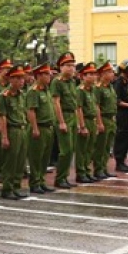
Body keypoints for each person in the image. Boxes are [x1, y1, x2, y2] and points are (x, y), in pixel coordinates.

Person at [0, 65, 30, 199]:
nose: (21, 81)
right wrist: (4, 136)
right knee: (10, 161)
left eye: (22, 78)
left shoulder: (22, 95)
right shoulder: (4, 96)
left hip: (22, 129)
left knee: (20, 161)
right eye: (18, 78)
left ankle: (16, 186)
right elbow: (3, 117)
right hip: (12, 130)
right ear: (11, 79)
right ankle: (7, 188)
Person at [25, 63, 56, 194]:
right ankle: (35, 182)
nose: (49, 76)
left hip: (48, 127)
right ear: (38, 75)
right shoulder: (34, 91)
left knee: (45, 158)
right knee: (36, 158)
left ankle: (41, 181)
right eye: (46, 74)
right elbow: (31, 111)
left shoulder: (46, 90)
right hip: (39, 127)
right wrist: (35, 128)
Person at [50, 52, 79, 188]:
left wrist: (78, 121)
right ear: (60, 67)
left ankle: (64, 177)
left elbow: (75, 103)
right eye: (67, 65)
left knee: (71, 149)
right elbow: (56, 103)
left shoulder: (72, 82)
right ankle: (60, 178)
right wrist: (61, 122)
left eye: (72, 65)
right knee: (65, 150)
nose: (71, 68)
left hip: (72, 116)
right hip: (64, 116)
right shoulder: (57, 82)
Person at [74, 63, 102, 183]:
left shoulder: (92, 90)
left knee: (90, 149)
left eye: (94, 74)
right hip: (85, 120)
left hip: (92, 120)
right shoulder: (80, 90)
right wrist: (82, 126)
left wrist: (97, 122)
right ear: (83, 76)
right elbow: (78, 108)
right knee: (82, 149)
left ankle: (86, 170)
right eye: (90, 74)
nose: (93, 77)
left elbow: (95, 107)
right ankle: (81, 173)